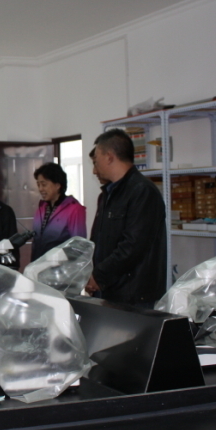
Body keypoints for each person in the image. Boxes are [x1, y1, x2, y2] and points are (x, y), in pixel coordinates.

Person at [85, 130, 167, 307]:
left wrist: (99, 276)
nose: (94, 169)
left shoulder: (143, 192)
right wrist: (91, 274)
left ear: (109, 157)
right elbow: (99, 242)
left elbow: (133, 247)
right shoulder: (107, 195)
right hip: (108, 289)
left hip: (132, 295)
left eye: (96, 160)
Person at [30, 162, 87, 261]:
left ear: (57, 185)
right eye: (38, 185)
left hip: (61, 268)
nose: (40, 189)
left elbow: (78, 247)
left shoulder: (74, 209)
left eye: (44, 184)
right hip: (39, 267)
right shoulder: (40, 210)